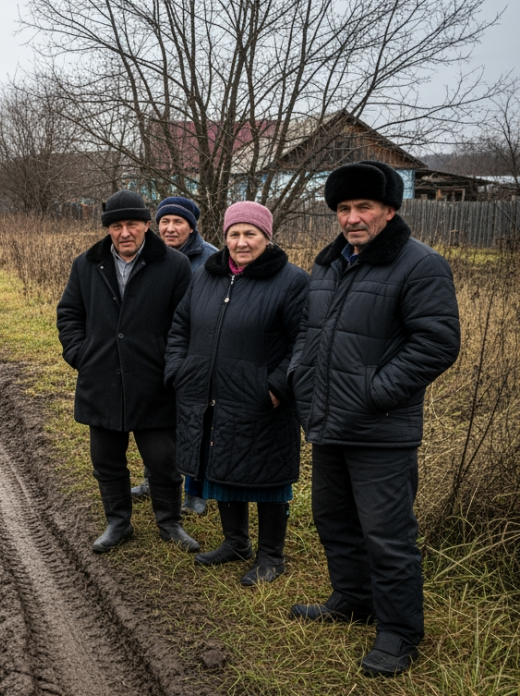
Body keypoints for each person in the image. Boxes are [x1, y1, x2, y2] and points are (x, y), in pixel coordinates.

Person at [288, 161, 461, 677]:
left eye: (363, 207)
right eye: (343, 208)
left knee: (387, 535)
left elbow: (437, 343)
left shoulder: (419, 264)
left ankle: (399, 632)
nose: (352, 217)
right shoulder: (330, 263)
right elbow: (309, 331)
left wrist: (373, 392)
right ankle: (352, 600)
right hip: (328, 421)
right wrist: (301, 375)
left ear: (389, 210)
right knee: (334, 521)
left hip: (380, 428)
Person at [166, 202, 308, 585]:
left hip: (263, 400)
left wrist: (277, 387)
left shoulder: (292, 280)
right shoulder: (206, 276)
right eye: (234, 234)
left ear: (267, 236)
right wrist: (179, 370)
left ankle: (271, 556)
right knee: (222, 466)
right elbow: (180, 325)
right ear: (224, 236)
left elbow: (305, 342)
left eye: (250, 234)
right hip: (208, 393)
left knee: (268, 476)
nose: (241, 242)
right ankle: (236, 542)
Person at [57, 190, 199, 553]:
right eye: (116, 226)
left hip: (155, 383)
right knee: (106, 460)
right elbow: (69, 314)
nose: (124, 233)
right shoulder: (86, 264)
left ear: (146, 225)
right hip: (101, 380)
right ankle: (118, 523)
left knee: (164, 462)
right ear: (108, 229)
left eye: (132, 225)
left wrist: (172, 365)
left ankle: (169, 524)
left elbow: (187, 323)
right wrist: (81, 354)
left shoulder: (173, 265)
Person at [134, 196, 220, 516]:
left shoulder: (210, 259)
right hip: (155, 354)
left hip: (195, 355)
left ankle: (196, 493)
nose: (170, 228)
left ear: (192, 226)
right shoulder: (147, 255)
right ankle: (153, 479)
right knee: (153, 421)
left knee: (196, 424)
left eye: (178, 222)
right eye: (164, 222)